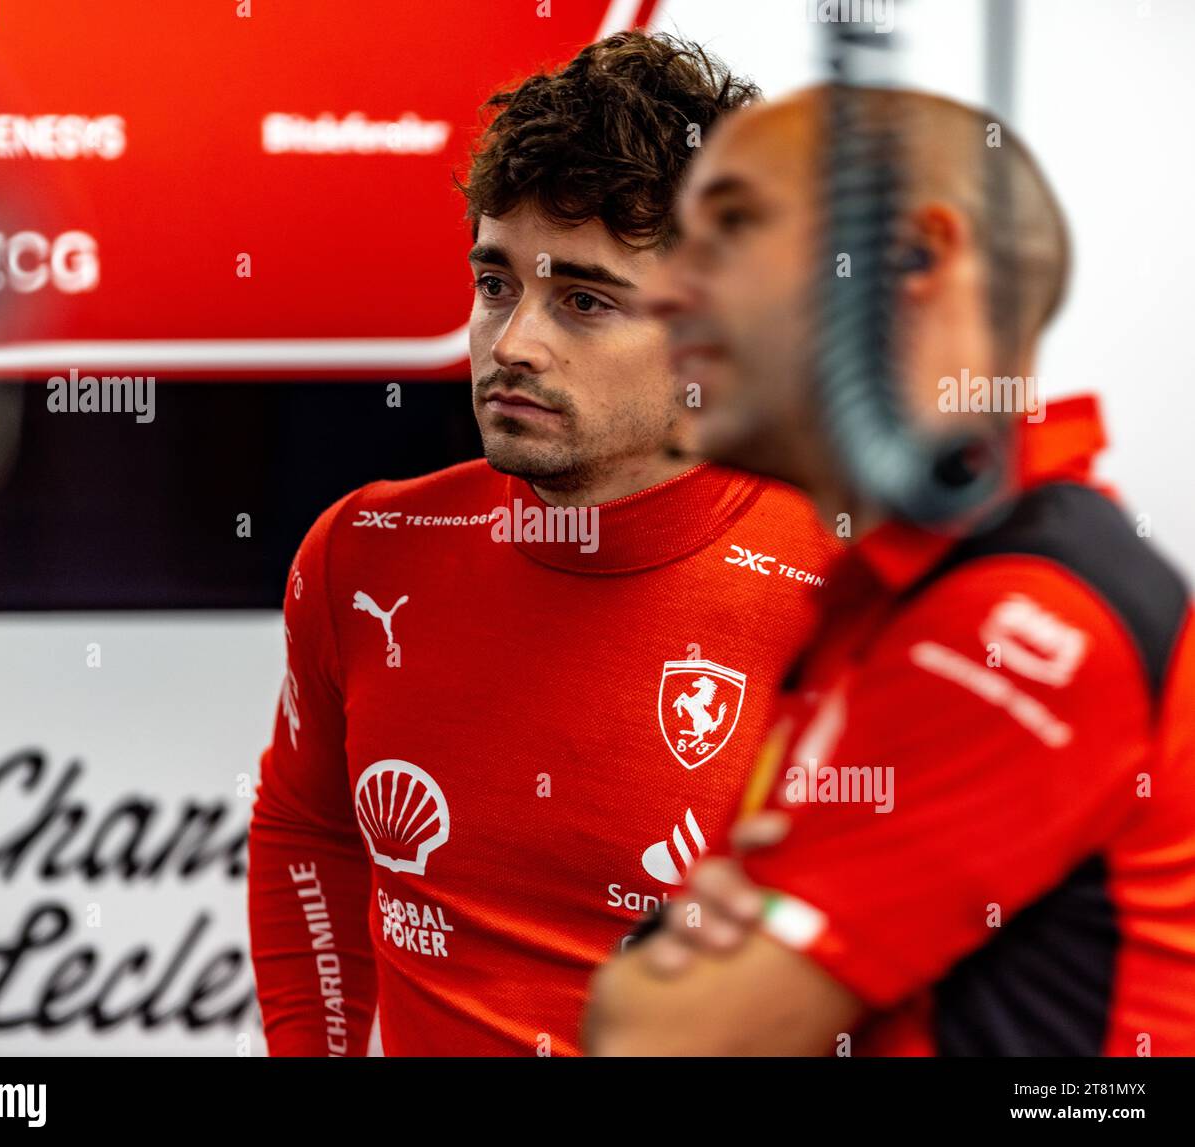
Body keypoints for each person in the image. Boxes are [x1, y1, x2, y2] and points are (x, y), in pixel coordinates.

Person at [246, 33, 840, 1057]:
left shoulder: (854, 592)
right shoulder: (367, 549)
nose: (512, 342)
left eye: (584, 300)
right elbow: (310, 831)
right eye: (494, 283)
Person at [584, 86, 1195, 1056]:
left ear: (914, 255)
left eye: (731, 225)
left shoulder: (1020, 617)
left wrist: (660, 977)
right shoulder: (902, 590)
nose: (662, 290)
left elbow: (662, 1037)